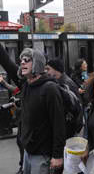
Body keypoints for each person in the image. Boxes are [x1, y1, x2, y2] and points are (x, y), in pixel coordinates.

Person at [0, 46, 65, 174]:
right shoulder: (27, 85)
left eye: (27, 59)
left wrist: (57, 155)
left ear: (37, 64)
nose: (22, 62)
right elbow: (7, 62)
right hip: (28, 152)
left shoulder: (50, 89)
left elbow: (59, 124)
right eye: (21, 60)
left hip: (42, 155)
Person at [45, 58, 83, 139]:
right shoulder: (58, 82)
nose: (46, 72)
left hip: (69, 129)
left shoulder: (66, 84)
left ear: (56, 70)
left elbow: (77, 107)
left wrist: (73, 128)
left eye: (48, 69)